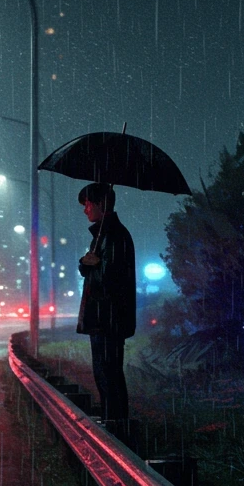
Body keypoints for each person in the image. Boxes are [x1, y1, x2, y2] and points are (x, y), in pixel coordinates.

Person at [76, 182, 136, 424]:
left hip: (109, 318)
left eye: (87, 204)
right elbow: (90, 269)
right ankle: (112, 424)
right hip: (101, 318)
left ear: (101, 204)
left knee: (110, 374)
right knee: (103, 374)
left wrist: (92, 264)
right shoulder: (101, 236)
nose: (85, 210)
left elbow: (110, 278)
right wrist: (85, 262)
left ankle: (116, 427)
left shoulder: (115, 236)